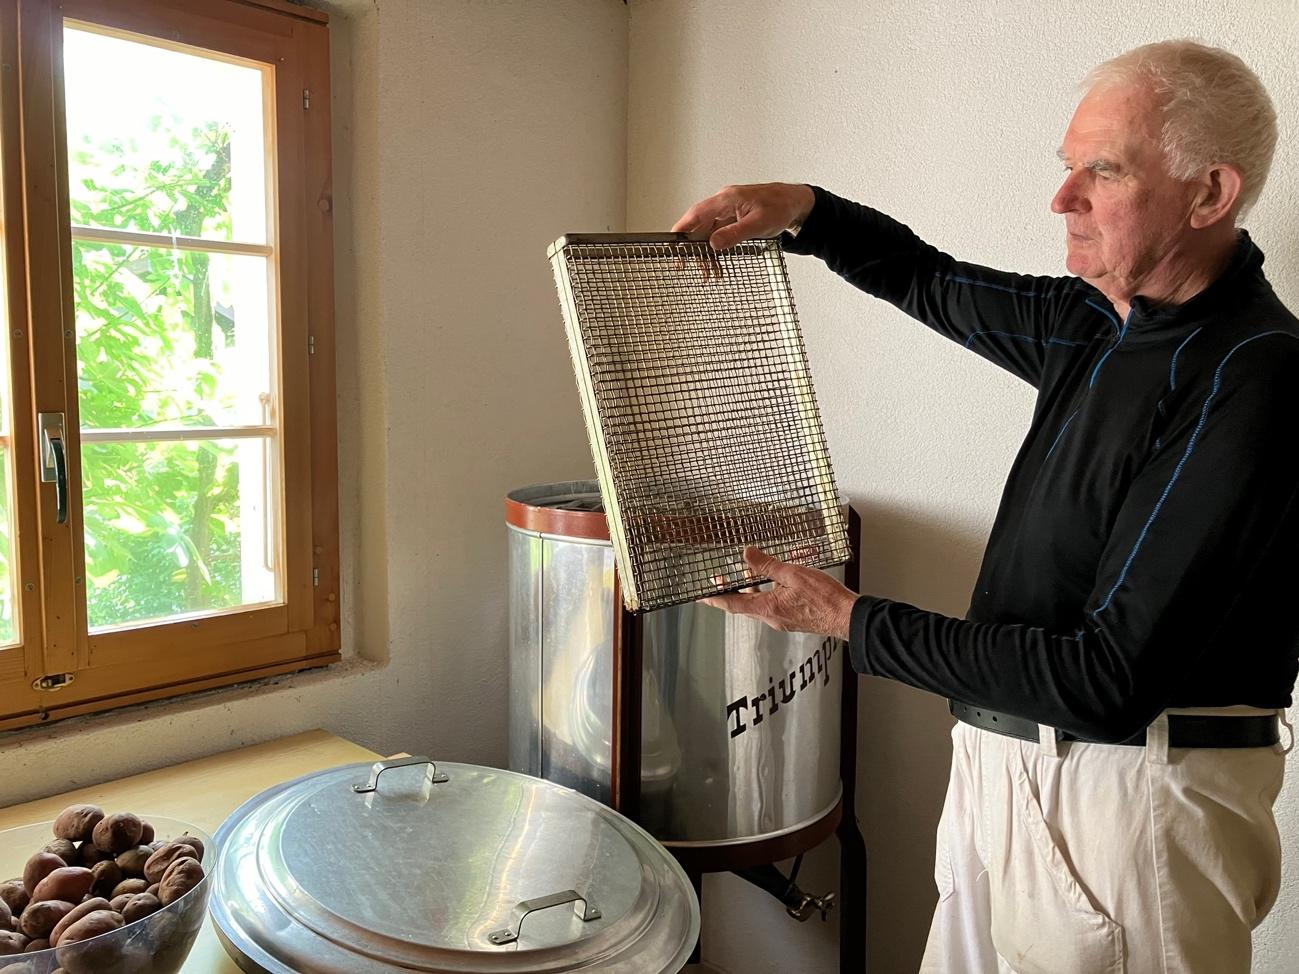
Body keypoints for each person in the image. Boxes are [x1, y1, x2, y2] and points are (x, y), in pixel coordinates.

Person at [673, 40, 1296, 974]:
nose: (1062, 199)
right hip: (1004, 768)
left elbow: (1105, 679)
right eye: (1067, 167)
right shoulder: (1096, 322)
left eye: (1103, 170)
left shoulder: (1255, 373)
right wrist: (802, 210)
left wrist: (839, 617)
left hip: (1130, 802)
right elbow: (926, 279)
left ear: (1208, 195)